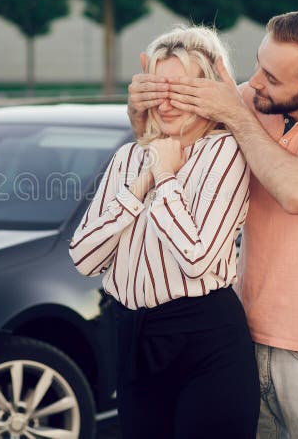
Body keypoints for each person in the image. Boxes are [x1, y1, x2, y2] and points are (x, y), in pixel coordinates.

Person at [128, 7, 298, 439]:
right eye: (258, 65)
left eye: (271, 78)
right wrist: (140, 109)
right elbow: (168, 145)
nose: (252, 83)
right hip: (239, 339)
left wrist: (235, 114)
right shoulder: (255, 100)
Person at [70, 25, 260, 438]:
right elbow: (84, 258)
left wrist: (164, 174)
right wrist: (141, 184)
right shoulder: (127, 157)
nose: (166, 102)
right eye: (158, 87)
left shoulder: (226, 154)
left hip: (206, 342)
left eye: (181, 89)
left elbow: (196, 258)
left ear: (208, 92)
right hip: (134, 339)